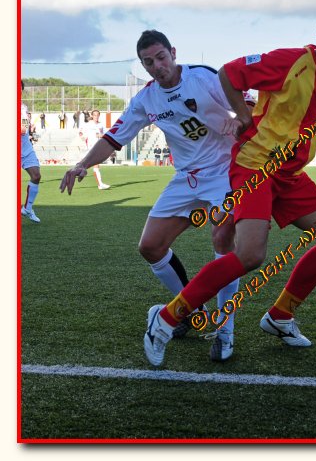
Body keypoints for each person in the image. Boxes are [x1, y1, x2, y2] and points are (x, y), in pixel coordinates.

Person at [143, 10, 316, 367]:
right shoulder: (290, 62)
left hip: (289, 175)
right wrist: (243, 116)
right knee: (250, 255)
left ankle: (281, 315)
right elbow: (230, 72)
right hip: (256, 166)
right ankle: (166, 319)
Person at [61, 29, 252, 362]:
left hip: (224, 171)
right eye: (148, 62)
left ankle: (225, 331)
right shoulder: (146, 99)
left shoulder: (203, 77)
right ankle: (192, 310)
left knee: (223, 239)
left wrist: (242, 120)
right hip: (185, 178)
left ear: (173, 53)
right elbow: (114, 138)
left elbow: (246, 99)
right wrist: (82, 164)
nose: (157, 66)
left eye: (161, 57)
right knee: (150, 246)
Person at [20, 81, 42, 223]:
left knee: (36, 175)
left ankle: (27, 209)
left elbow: (23, 129)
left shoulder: (23, 108)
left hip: (25, 148)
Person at [79, 109, 111, 190]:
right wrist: (82, 136)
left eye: (97, 115)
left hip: (98, 146)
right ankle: (100, 184)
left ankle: (77, 172)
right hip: (91, 146)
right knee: (96, 165)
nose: (96, 116)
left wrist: (101, 135)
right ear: (92, 116)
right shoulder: (88, 124)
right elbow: (80, 132)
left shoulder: (101, 125)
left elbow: (105, 135)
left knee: (92, 164)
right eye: (95, 115)